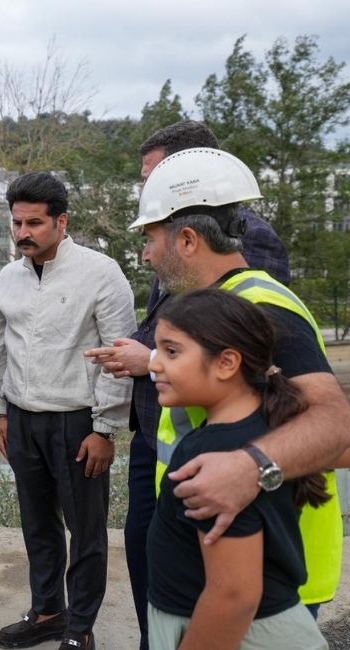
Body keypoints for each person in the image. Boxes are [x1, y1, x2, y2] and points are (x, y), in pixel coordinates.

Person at [83, 120, 293, 650]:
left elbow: (236, 347)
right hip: (162, 434)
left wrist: (150, 358)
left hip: (216, 448)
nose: (145, 190)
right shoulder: (178, 239)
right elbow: (179, 324)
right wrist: (138, 348)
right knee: (152, 556)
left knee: (203, 575)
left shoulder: (248, 246)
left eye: (154, 175)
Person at [127, 147, 347, 621]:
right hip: (224, 561)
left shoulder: (260, 310)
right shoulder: (220, 306)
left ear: (187, 240)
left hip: (267, 579)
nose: (146, 255)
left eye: (149, 239)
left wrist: (250, 470)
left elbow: (338, 429)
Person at [0, 173, 135, 650]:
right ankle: (48, 610)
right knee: (37, 524)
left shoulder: (101, 272)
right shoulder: (8, 277)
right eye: (17, 222)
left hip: (79, 423)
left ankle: (80, 628)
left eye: (34, 222)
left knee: (86, 531)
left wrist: (106, 428)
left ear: (61, 221)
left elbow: (119, 354)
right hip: (22, 419)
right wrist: (0, 411)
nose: (23, 232)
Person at [146, 289, 329, 650]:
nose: (153, 364)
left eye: (172, 351)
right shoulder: (269, 429)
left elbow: (234, 596)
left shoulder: (213, 454)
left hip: (229, 632)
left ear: (227, 363)